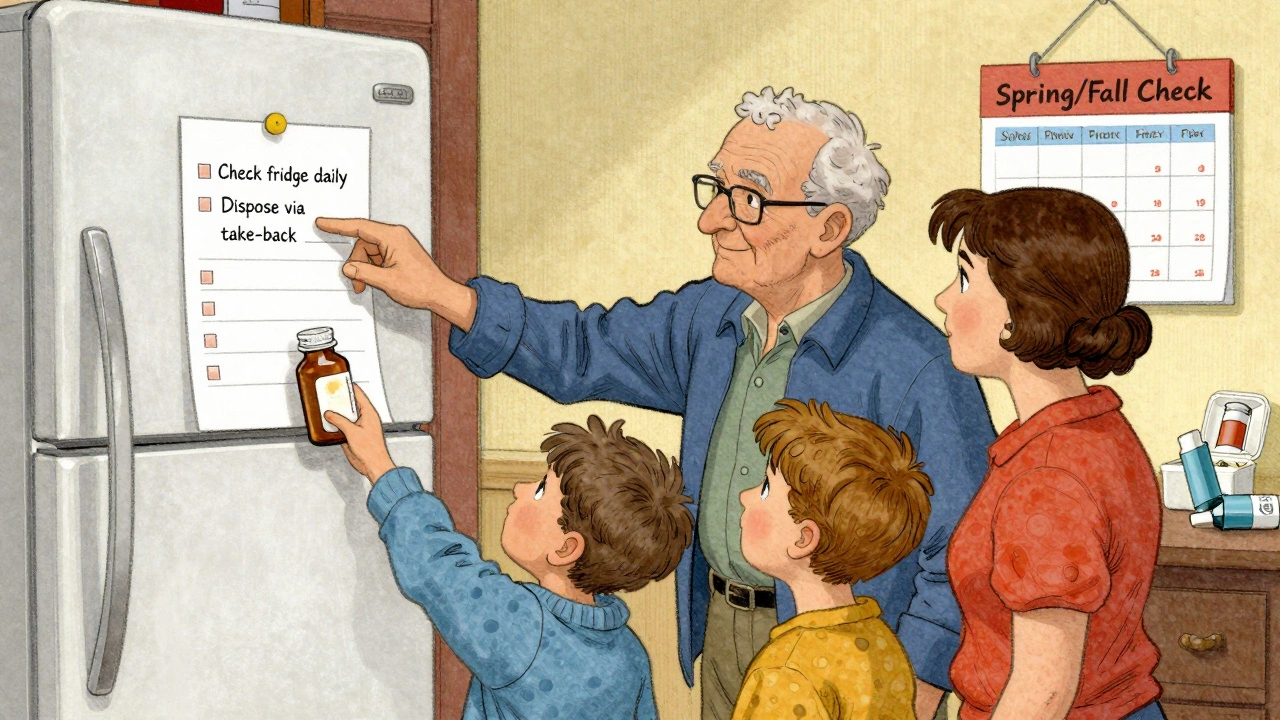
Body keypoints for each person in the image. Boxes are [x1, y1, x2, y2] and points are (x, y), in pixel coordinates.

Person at [316, 86, 995, 720]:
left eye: (746, 199)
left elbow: (965, 551)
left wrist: (915, 692)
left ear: (829, 227)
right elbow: (583, 349)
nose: (710, 220)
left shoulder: (918, 365)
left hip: (843, 658)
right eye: (715, 189)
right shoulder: (710, 319)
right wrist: (442, 293)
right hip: (723, 628)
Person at [930, 187, 1164, 720]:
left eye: (965, 277)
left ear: (1020, 313)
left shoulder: (1048, 478)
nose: (945, 298)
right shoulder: (1096, 431)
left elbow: (1042, 695)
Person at [326, 385, 694, 720]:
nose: (518, 487)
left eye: (539, 491)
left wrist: (380, 466)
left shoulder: (525, 628)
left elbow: (439, 567)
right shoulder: (630, 655)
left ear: (566, 548)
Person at [729, 399, 933, 720]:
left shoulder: (784, 671)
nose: (745, 496)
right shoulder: (883, 643)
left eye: (767, 488)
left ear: (804, 539)